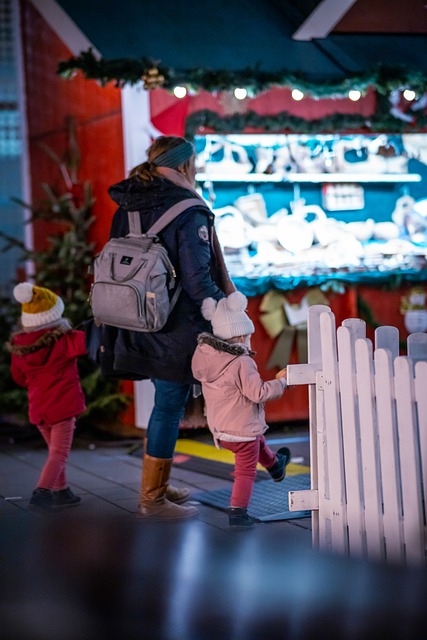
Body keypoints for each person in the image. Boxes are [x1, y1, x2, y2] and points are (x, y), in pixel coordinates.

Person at [105, 135, 235, 520]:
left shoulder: (128, 203)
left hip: (135, 319)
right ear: (184, 166)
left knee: (165, 404)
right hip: (176, 326)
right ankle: (152, 499)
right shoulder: (188, 209)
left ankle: (158, 486)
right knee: (168, 406)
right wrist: (224, 314)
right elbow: (198, 281)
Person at [191, 291, 291, 528]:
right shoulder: (242, 362)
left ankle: (276, 466)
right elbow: (258, 393)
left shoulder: (206, 358)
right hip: (241, 430)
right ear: (241, 335)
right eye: (248, 335)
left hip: (220, 429)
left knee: (256, 437)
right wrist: (283, 382)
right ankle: (238, 513)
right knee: (245, 472)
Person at [7, 282, 86, 512]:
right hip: (63, 407)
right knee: (60, 453)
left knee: (55, 452)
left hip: (39, 408)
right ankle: (41, 493)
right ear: (54, 315)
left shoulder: (20, 347)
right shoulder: (65, 340)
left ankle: (62, 492)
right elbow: (89, 342)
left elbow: (19, 378)